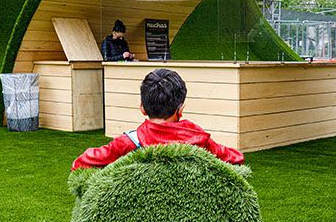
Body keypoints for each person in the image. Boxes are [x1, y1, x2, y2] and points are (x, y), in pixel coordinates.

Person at [72, 69, 244, 170]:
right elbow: (236, 158)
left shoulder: (127, 143)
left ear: (142, 108)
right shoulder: (198, 138)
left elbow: (80, 163)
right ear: (180, 110)